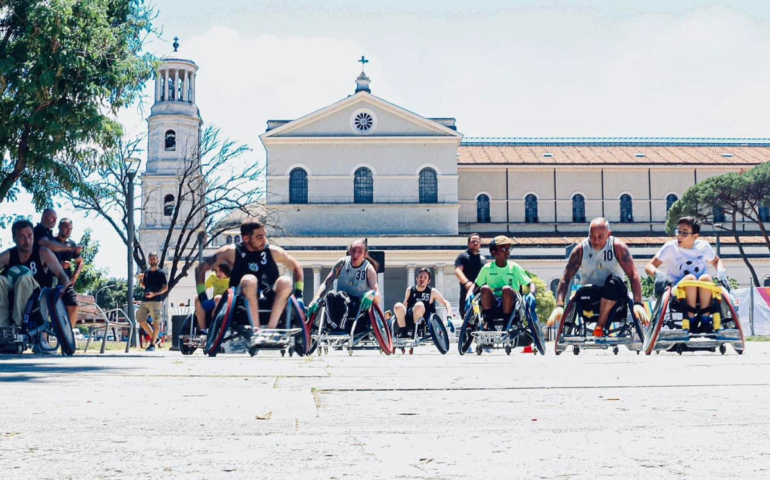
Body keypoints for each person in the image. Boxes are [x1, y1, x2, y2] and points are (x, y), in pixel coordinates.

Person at [547, 218, 649, 336]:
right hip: (592, 294)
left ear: (609, 234)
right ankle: (599, 327)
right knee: (584, 290)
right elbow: (566, 277)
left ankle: (599, 326)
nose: (596, 241)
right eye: (592, 236)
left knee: (612, 282)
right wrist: (559, 305)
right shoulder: (580, 250)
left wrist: (637, 303)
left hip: (616, 293)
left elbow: (633, 274)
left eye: (600, 236)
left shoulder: (617, 247)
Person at [196, 220, 304, 330]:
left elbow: (296, 266)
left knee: (285, 281)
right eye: (259, 237)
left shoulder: (272, 251)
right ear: (246, 238)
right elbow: (201, 269)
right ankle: (256, 329)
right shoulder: (231, 251)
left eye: (265, 236)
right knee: (250, 279)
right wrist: (202, 296)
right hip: (241, 297)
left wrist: (299, 294)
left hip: (269, 294)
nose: (264, 240)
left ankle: (271, 329)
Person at [644, 216, 726, 332]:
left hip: (703, 289)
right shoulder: (670, 247)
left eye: (684, 233)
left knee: (706, 278)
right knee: (690, 278)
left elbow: (716, 261)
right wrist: (658, 274)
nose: (679, 236)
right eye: (678, 232)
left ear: (695, 236)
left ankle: (705, 321)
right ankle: (690, 321)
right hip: (679, 290)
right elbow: (649, 266)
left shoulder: (703, 246)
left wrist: (721, 271)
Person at [0, 220, 70, 349]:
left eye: (30, 235)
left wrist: (62, 290)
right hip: (11, 297)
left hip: (38, 299)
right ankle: (3, 331)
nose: (27, 241)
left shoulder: (43, 253)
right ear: (14, 238)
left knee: (24, 280)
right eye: (21, 237)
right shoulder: (8, 255)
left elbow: (63, 276)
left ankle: (17, 331)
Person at [307, 238, 381, 330]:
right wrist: (315, 299)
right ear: (349, 251)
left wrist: (372, 294)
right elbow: (326, 283)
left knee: (342, 296)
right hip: (340, 302)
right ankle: (332, 326)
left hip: (358, 308)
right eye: (353, 251)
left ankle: (340, 328)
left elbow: (377, 295)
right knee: (330, 295)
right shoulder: (342, 263)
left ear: (365, 254)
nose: (355, 254)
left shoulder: (369, 269)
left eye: (359, 252)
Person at [467, 235, 534, 330]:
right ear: (494, 252)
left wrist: (531, 293)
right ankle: (490, 325)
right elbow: (476, 285)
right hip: (493, 302)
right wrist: (469, 294)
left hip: (512, 303)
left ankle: (506, 326)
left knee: (506, 289)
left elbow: (530, 283)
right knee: (484, 288)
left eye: (509, 248)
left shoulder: (514, 267)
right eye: (503, 249)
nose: (507, 251)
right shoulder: (487, 268)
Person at [393, 267, 452, 338]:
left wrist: (449, 317)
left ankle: (415, 332)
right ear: (416, 278)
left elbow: (446, 303)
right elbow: (404, 305)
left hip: (422, 320)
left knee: (419, 305)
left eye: (425, 278)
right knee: (397, 306)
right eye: (420, 277)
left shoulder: (432, 292)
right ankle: (403, 332)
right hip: (409, 316)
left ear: (428, 281)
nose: (422, 279)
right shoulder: (409, 290)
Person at [55, 218, 84, 328]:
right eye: (66, 227)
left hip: (66, 283)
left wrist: (74, 277)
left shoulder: (71, 244)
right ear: (59, 227)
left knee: (73, 306)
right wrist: (59, 264)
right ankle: (44, 340)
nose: (68, 231)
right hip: (51, 282)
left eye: (71, 228)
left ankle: (68, 337)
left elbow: (80, 262)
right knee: (47, 309)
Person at [137, 252, 168, 352]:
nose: (152, 260)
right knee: (140, 320)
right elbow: (144, 286)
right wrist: (141, 280)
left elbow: (165, 288)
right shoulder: (146, 272)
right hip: (145, 300)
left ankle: (152, 344)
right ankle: (155, 338)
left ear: (157, 260)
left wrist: (154, 294)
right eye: (150, 259)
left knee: (156, 323)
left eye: (154, 259)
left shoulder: (161, 273)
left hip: (156, 301)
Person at [454, 233, 486, 319]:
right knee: (467, 318)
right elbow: (458, 271)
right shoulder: (463, 256)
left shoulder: (483, 258)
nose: (475, 243)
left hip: (481, 293)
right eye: (473, 241)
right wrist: (467, 283)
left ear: (480, 244)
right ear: (468, 243)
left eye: (477, 241)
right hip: (467, 293)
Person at [193, 263, 231, 331]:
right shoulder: (213, 277)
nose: (217, 274)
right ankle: (203, 330)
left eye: (220, 271)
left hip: (228, 304)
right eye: (216, 271)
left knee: (218, 297)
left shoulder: (232, 278)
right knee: (197, 298)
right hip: (215, 302)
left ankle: (214, 329)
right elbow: (204, 288)